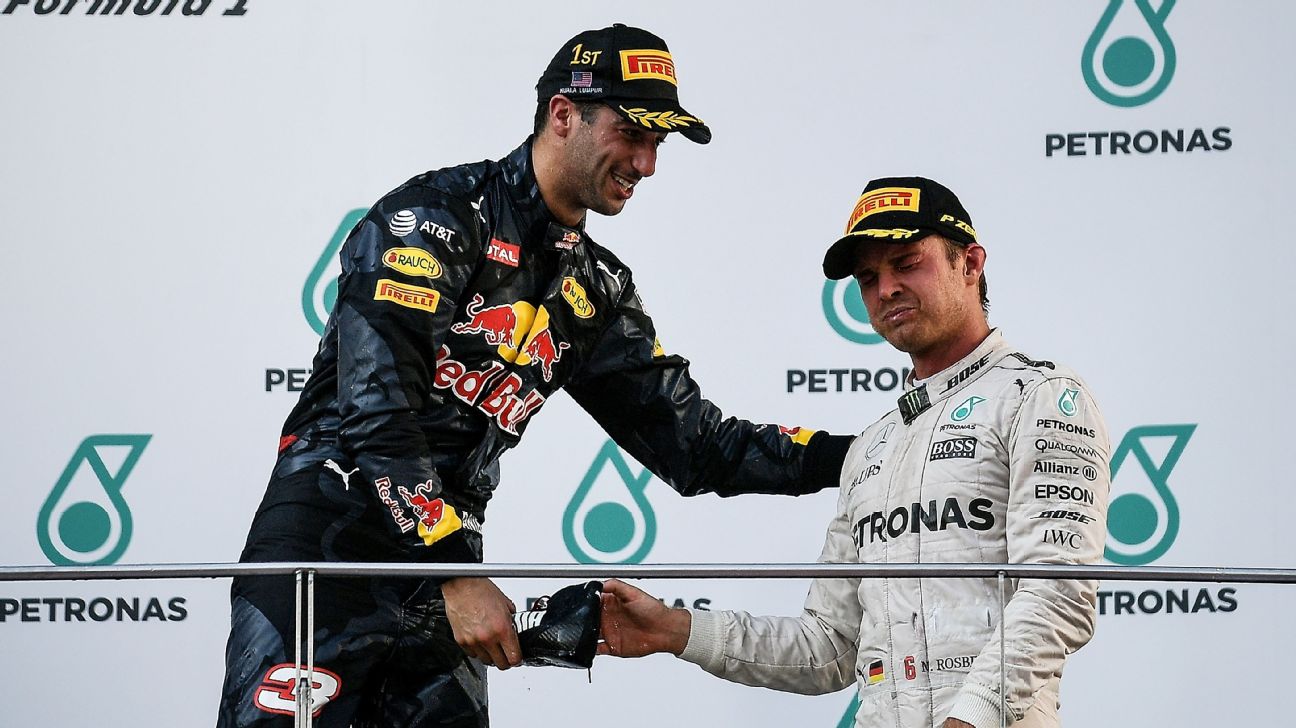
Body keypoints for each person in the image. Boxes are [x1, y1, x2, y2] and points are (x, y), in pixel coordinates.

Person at [215, 23, 853, 728]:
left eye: (658, 143)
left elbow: (697, 446)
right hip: (327, 555)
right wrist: (455, 571)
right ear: (563, 114)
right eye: (632, 133)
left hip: (448, 582)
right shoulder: (434, 218)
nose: (646, 163)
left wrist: (866, 455)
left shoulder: (597, 288)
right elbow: (377, 410)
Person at [598, 177, 1111, 728]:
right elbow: (827, 647)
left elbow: (1059, 590)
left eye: (906, 263)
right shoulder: (873, 446)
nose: (886, 289)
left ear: (970, 263)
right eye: (869, 278)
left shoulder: (1040, 396)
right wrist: (675, 629)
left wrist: (970, 718)